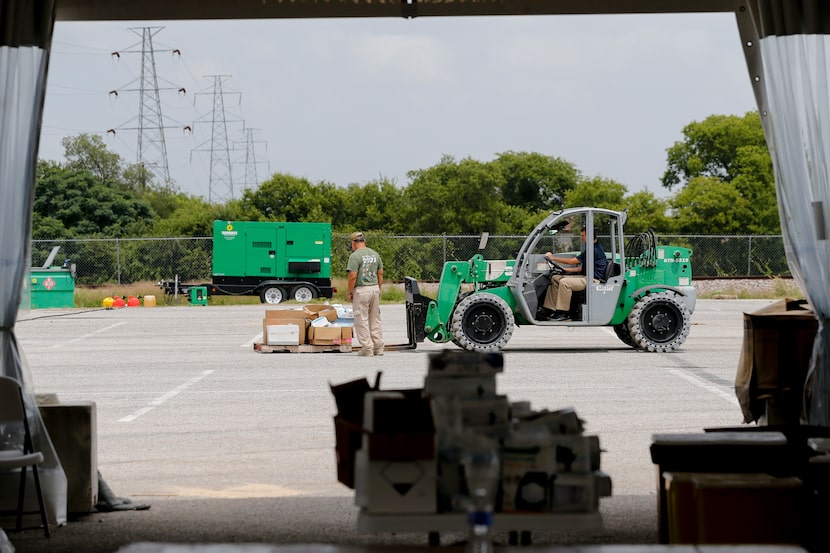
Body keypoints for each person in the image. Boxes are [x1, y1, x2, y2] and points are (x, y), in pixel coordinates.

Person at [539, 227, 607, 321]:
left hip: (593, 280)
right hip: (586, 276)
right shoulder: (591, 248)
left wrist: (553, 258)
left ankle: (563, 313)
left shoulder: (594, 250)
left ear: (590, 236)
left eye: (583, 236)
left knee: (565, 282)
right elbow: (581, 268)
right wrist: (564, 270)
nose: (582, 238)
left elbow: (571, 261)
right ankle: (549, 309)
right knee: (555, 278)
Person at [346, 231, 384, 356]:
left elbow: (352, 276)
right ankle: (378, 347)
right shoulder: (375, 254)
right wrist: (378, 288)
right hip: (374, 288)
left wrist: (350, 292)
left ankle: (367, 348)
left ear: (353, 243)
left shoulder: (355, 256)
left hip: (362, 290)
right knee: (375, 319)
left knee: (361, 319)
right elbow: (380, 273)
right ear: (364, 241)